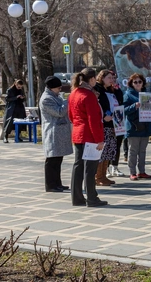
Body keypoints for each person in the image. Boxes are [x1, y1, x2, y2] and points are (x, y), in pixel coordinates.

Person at [68, 68, 107, 207]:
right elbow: (93, 120)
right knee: (90, 169)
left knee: (78, 166)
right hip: (90, 136)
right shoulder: (88, 95)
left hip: (78, 134)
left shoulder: (73, 93)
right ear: (91, 79)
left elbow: (71, 116)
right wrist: (99, 140)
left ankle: (77, 198)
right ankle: (92, 198)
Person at [39, 76, 72, 192]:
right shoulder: (46, 99)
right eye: (58, 88)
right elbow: (59, 112)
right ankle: (50, 185)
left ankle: (57, 183)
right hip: (53, 133)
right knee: (52, 160)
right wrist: (68, 101)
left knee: (58, 160)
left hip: (59, 132)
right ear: (52, 88)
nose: (60, 90)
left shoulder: (54, 96)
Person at [124, 73, 151, 181]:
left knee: (142, 151)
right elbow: (124, 110)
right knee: (133, 151)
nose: (137, 84)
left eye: (139, 81)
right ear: (131, 84)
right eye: (135, 82)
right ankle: (132, 172)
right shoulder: (128, 94)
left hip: (145, 126)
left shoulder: (147, 94)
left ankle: (142, 171)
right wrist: (134, 106)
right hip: (134, 127)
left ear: (143, 83)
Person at [93, 70, 119, 186]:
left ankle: (103, 175)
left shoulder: (110, 90)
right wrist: (103, 117)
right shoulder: (97, 89)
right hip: (102, 124)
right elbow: (96, 107)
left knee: (109, 151)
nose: (111, 80)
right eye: (109, 77)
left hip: (111, 124)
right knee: (102, 152)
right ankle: (98, 176)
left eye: (113, 78)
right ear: (102, 78)